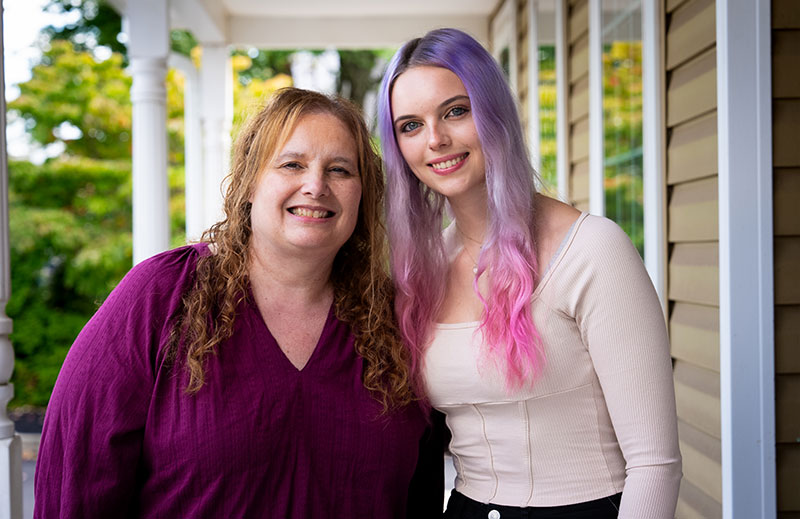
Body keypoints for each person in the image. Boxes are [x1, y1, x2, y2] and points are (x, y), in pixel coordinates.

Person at [35, 88, 441, 518]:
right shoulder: (161, 296)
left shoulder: (397, 320)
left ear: (363, 194)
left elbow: (423, 494)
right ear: (249, 183)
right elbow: (74, 476)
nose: (316, 185)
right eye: (292, 164)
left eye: (340, 170)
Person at [378, 28, 681, 518]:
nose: (435, 139)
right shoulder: (421, 272)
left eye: (456, 110)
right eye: (410, 125)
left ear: (494, 112)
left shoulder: (591, 251)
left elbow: (656, 464)